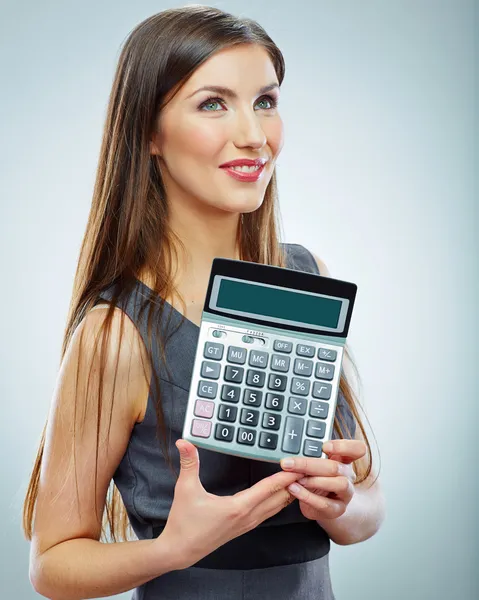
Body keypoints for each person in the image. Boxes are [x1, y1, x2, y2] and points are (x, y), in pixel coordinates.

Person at [23, 5, 385, 599]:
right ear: (148, 133)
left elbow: (368, 508)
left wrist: (340, 502)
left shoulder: (305, 274)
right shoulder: (116, 332)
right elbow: (52, 566)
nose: (253, 134)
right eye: (213, 103)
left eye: (265, 101)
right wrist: (174, 549)